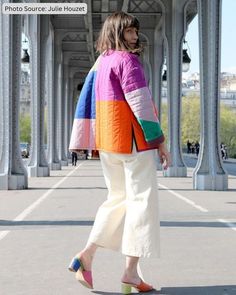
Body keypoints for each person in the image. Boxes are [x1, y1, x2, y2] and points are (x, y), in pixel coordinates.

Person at [68, 12, 171, 294]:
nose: (135, 36)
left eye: (136, 31)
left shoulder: (101, 63)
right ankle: (129, 273)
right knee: (142, 203)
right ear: (117, 32)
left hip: (109, 143)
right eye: (129, 32)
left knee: (117, 200)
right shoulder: (128, 61)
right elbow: (141, 104)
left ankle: (86, 255)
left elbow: (86, 101)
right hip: (133, 143)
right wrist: (160, 140)